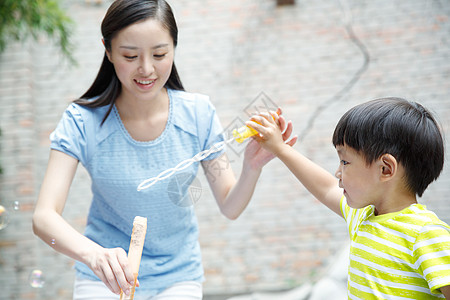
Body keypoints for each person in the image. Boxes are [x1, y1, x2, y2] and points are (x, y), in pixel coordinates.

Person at [31, 0, 296, 299]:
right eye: (130, 55)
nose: (146, 69)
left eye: (159, 54)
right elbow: (43, 217)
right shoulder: (81, 121)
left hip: (177, 277)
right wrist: (94, 256)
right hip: (103, 276)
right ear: (107, 50)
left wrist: (251, 167)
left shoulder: (198, 114)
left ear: (174, 47)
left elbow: (230, 205)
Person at [247, 97, 450, 299]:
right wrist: (280, 148)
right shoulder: (363, 218)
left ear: (386, 169)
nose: (338, 172)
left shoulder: (428, 235)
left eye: (345, 161)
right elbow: (325, 188)